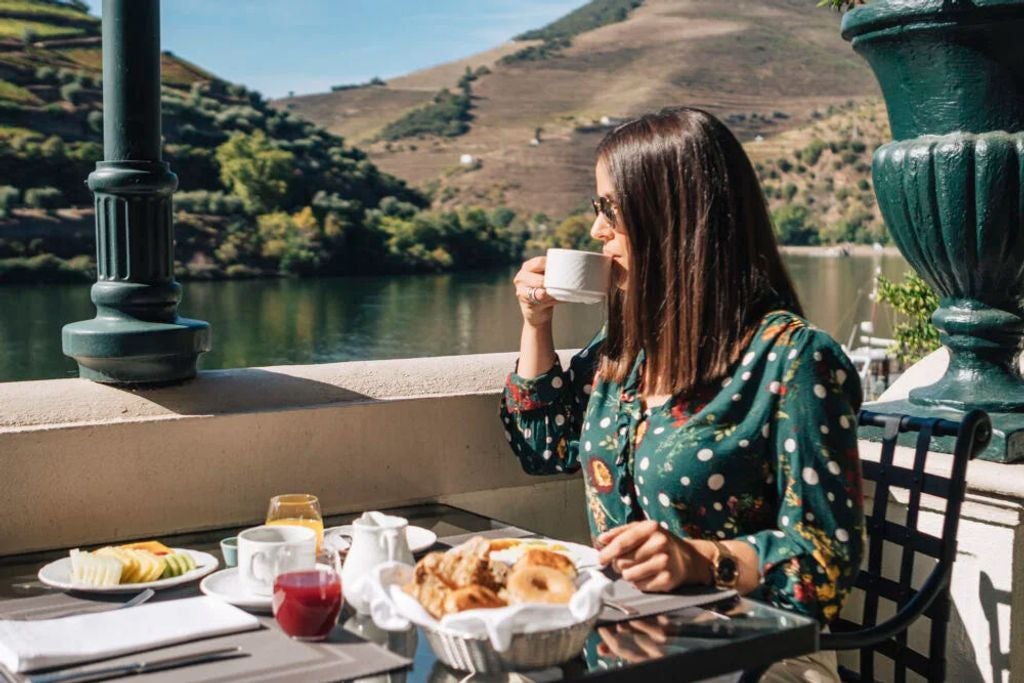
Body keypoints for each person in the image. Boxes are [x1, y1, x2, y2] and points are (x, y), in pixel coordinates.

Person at [499, 107, 865, 682]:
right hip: (624, 651)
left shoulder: (792, 360)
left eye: (610, 210)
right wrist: (535, 324)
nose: (597, 230)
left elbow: (825, 563)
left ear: (675, 219)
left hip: (753, 658)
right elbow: (544, 450)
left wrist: (698, 560)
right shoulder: (623, 350)